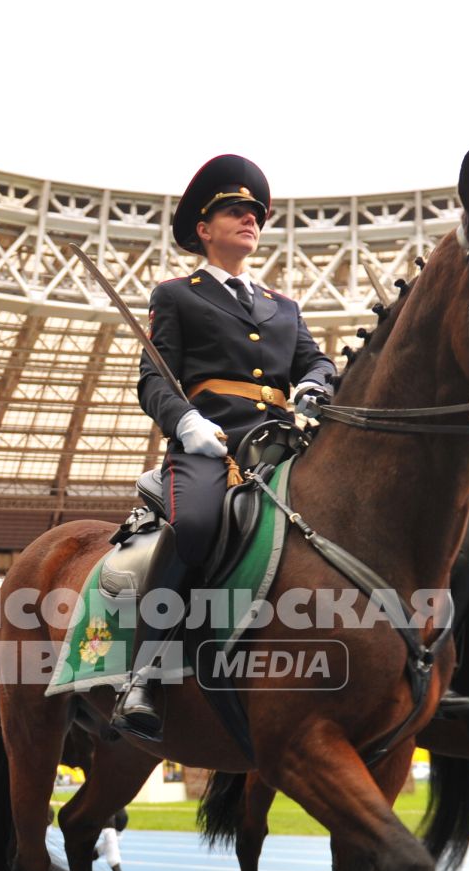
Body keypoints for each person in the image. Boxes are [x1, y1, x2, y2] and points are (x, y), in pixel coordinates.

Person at [116, 154, 337, 740]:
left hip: (282, 444)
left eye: (256, 214)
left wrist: (315, 383)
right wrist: (186, 423)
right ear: (204, 229)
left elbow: (313, 358)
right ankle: (141, 672)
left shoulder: (283, 306)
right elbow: (153, 377)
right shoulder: (176, 296)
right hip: (208, 446)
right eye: (236, 211)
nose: (251, 220)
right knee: (196, 527)